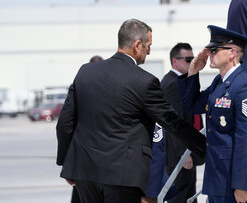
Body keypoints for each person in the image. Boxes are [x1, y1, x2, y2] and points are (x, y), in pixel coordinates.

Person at [56, 19, 206, 203]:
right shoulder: (144, 81)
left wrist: (67, 163)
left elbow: (64, 124)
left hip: (85, 172)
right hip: (123, 176)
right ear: (137, 45)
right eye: (148, 46)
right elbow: (172, 122)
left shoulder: (86, 72)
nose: (149, 51)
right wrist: (206, 147)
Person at [178, 25, 247, 203]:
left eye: (214, 49)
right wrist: (193, 72)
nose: (208, 53)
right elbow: (192, 106)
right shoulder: (220, 81)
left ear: (232, 53)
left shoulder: (244, 86)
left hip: (232, 181)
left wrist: (242, 185)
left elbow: (246, 139)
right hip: (217, 177)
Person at [142, 43, 204, 203]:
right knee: (181, 196)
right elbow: (172, 123)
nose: (191, 62)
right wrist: (184, 153)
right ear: (174, 61)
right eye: (188, 59)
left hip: (186, 150)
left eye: (193, 58)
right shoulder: (173, 84)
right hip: (179, 155)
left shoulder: (181, 81)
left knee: (188, 194)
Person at [70, 55, 104, 203]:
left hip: (83, 159)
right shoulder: (113, 89)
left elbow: (66, 126)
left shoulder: (79, 87)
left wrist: (68, 163)